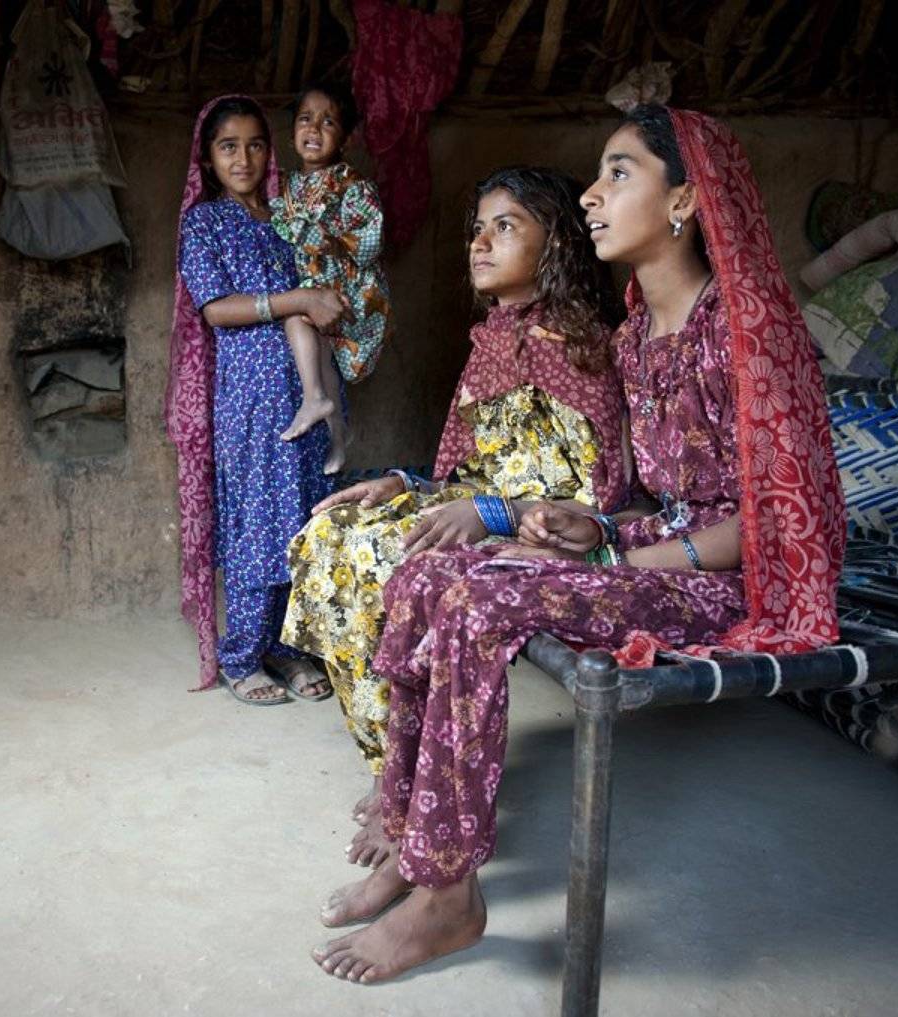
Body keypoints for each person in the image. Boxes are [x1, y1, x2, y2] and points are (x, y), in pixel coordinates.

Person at [311, 105, 846, 983]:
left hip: (723, 580)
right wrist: (591, 526)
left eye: (619, 173)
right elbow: (645, 494)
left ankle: (450, 895)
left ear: (686, 201)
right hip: (653, 550)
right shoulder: (636, 340)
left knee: (479, 599)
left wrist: (623, 559)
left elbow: (773, 525)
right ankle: (414, 837)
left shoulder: (748, 331)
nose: (593, 195)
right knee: (426, 572)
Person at [282, 167, 627, 867]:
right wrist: (403, 484)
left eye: (506, 226)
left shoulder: (583, 346)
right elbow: (464, 475)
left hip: (543, 534)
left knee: (384, 559)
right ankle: (393, 768)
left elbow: (599, 503)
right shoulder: (494, 339)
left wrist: (492, 511)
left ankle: (418, 786)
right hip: (483, 510)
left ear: (557, 243)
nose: (480, 241)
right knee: (327, 535)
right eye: (478, 227)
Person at [168, 95, 346, 705]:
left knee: (305, 516)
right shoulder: (205, 223)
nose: (242, 158)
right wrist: (295, 301)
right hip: (250, 394)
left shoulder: (290, 218)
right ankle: (242, 655)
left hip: (310, 388)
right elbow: (216, 308)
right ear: (208, 158)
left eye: (254, 145)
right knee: (257, 519)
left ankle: (290, 649)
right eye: (227, 146)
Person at [271, 82, 394, 475]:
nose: (314, 129)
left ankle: (323, 410)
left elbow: (368, 245)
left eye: (328, 122)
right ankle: (335, 429)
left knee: (305, 321)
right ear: (291, 132)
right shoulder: (285, 186)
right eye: (306, 119)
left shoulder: (353, 186)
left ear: (345, 137)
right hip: (314, 293)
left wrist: (322, 236)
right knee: (315, 346)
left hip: (349, 293)